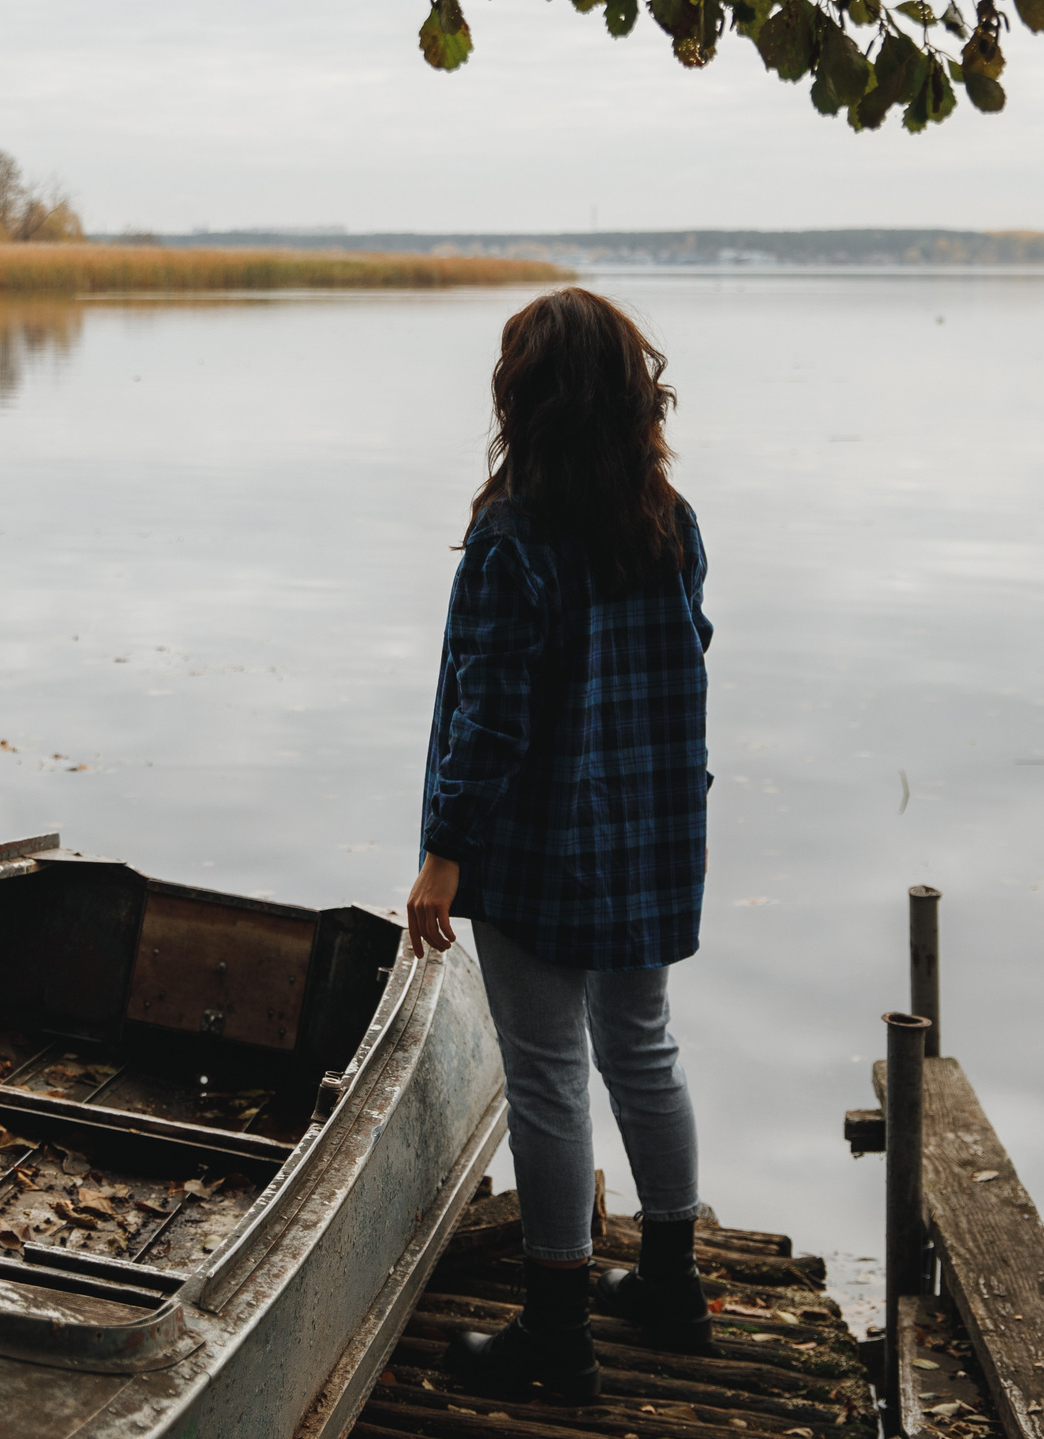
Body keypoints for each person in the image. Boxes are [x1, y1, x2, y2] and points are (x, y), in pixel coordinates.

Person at [407, 287, 713, 1406]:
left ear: (527, 396)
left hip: (539, 844)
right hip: (653, 829)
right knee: (643, 1046)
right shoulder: (668, 517)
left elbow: (490, 716)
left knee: (544, 1077)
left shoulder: (513, 536)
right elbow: (689, 650)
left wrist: (444, 853)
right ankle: (671, 1287)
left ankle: (556, 1334)